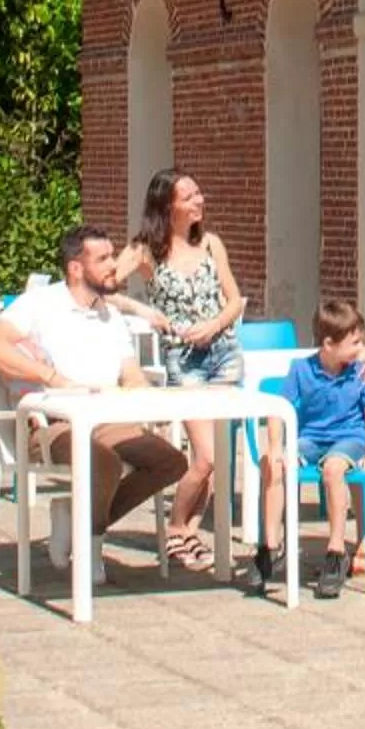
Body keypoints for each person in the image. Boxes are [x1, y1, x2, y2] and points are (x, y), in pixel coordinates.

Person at [0, 224, 187, 571]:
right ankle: (90, 550)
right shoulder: (40, 304)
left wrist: (147, 401)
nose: (113, 266)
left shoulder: (110, 315)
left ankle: (80, 521)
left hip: (105, 419)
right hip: (48, 422)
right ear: (76, 267)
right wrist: (53, 378)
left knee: (171, 462)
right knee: (103, 462)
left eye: (112, 256)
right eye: (103, 259)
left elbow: (130, 373)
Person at [115, 170, 243, 572]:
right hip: (184, 362)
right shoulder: (144, 251)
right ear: (166, 205)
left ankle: (190, 534)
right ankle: (174, 530)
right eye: (188, 196)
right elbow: (104, 287)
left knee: (218, 460)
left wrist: (215, 325)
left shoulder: (210, 244)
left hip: (223, 354)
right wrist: (143, 311)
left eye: (198, 193)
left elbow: (234, 299)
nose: (198, 201)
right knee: (203, 458)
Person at [260, 297, 365, 599]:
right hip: (311, 439)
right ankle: (271, 547)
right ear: (328, 344)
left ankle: (336, 551)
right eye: (354, 342)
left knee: (333, 469)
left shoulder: (360, 371)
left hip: (349, 439)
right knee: (273, 463)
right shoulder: (301, 369)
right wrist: (276, 446)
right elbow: (278, 408)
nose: (360, 348)